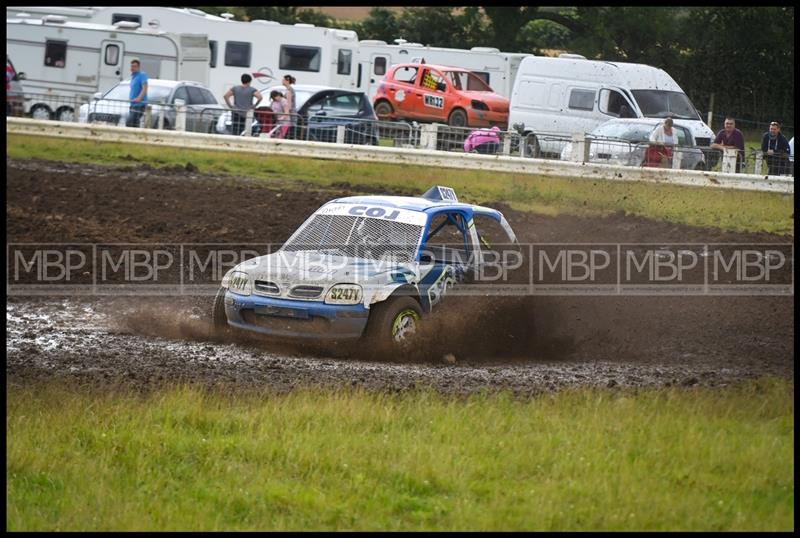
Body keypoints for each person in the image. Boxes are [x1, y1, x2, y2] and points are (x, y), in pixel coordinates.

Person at [126, 59, 148, 128]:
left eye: (134, 66)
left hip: (139, 104)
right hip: (132, 104)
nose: (132, 68)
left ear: (138, 67)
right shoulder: (133, 77)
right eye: (132, 66)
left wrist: (139, 98)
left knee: (130, 122)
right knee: (133, 124)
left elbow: (145, 87)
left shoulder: (142, 75)